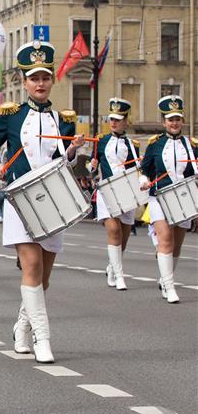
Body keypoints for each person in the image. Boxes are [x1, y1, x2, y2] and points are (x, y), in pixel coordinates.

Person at [0, 41, 85, 364]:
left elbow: (61, 161)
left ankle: (21, 327)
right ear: (24, 81)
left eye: (45, 77)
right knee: (32, 265)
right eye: (34, 78)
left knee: (44, 277)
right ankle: (43, 339)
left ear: (52, 79)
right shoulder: (12, 116)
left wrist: (71, 149)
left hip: (52, 199)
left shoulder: (64, 120)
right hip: (20, 197)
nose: (40, 83)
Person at [139, 94, 197, 304]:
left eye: (177, 119)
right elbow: (144, 170)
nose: (174, 123)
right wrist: (144, 181)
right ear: (164, 122)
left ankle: (165, 279)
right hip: (160, 197)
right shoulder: (155, 144)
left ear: (182, 121)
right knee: (166, 240)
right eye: (170, 119)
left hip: (183, 198)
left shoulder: (192, 145)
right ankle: (169, 285)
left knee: (177, 245)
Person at [90, 98, 140, 291]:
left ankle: (112, 267)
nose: (113, 122)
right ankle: (120, 275)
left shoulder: (133, 144)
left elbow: (136, 169)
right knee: (114, 230)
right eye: (111, 118)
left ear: (125, 120)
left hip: (126, 191)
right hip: (107, 190)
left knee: (124, 237)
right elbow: (92, 168)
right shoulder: (100, 141)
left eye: (118, 119)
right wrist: (92, 167)